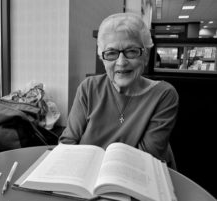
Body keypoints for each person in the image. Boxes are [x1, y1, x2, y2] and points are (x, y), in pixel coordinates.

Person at [59, 13, 179, 169]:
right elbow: (68, 142)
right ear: (102, 58)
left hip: (137, 178)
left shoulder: (164, 95)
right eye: (111, 53)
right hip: (86, 177)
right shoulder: (88, 88)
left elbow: (146, 157)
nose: (121, 62)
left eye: (131, 51)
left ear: (146, 56)